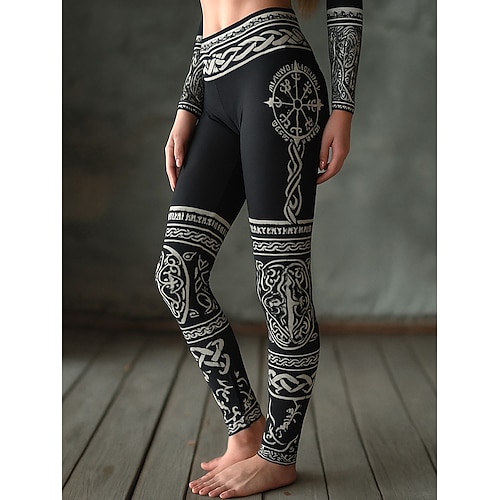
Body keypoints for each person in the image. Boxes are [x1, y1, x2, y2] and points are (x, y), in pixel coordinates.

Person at [155, 0, 363, 497]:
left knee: (283, 282)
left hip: (279, 79)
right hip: (215, 81)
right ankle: (246, 428)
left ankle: (279, 455)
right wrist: (188, 105)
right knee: (177, 274)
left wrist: (343, 107)